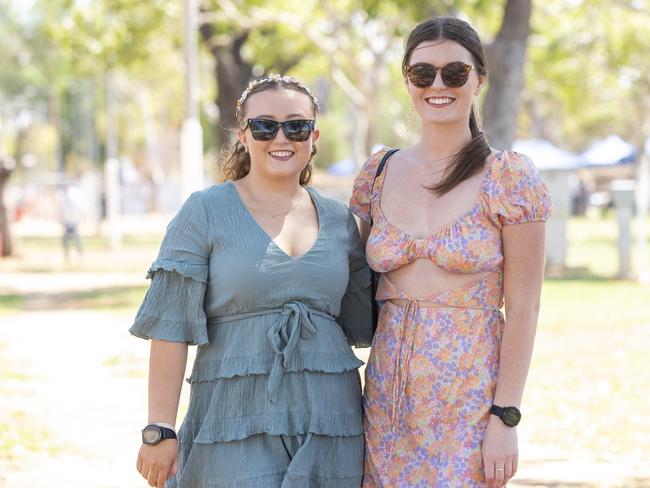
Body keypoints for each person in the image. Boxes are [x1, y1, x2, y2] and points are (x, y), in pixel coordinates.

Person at [130, 74, 373, 488]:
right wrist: (160, 428)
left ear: (314, 136)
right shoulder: (204, 211)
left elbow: (363, 324)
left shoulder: (341, 221)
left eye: (295, 126)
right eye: (264, 126)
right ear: (243, 135)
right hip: (232, 418)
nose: (281, 137)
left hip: (332, 422)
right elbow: (170, 329)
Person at [349, 17, 551, 487]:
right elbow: (342, 276)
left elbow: (525, 306)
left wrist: (506, 417)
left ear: (479, 79)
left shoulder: (509, 177)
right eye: (423, 73)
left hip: (470, 402)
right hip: (385, 400)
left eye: (454, 73)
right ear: (407, 81)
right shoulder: (377, 173)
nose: (438, 85)